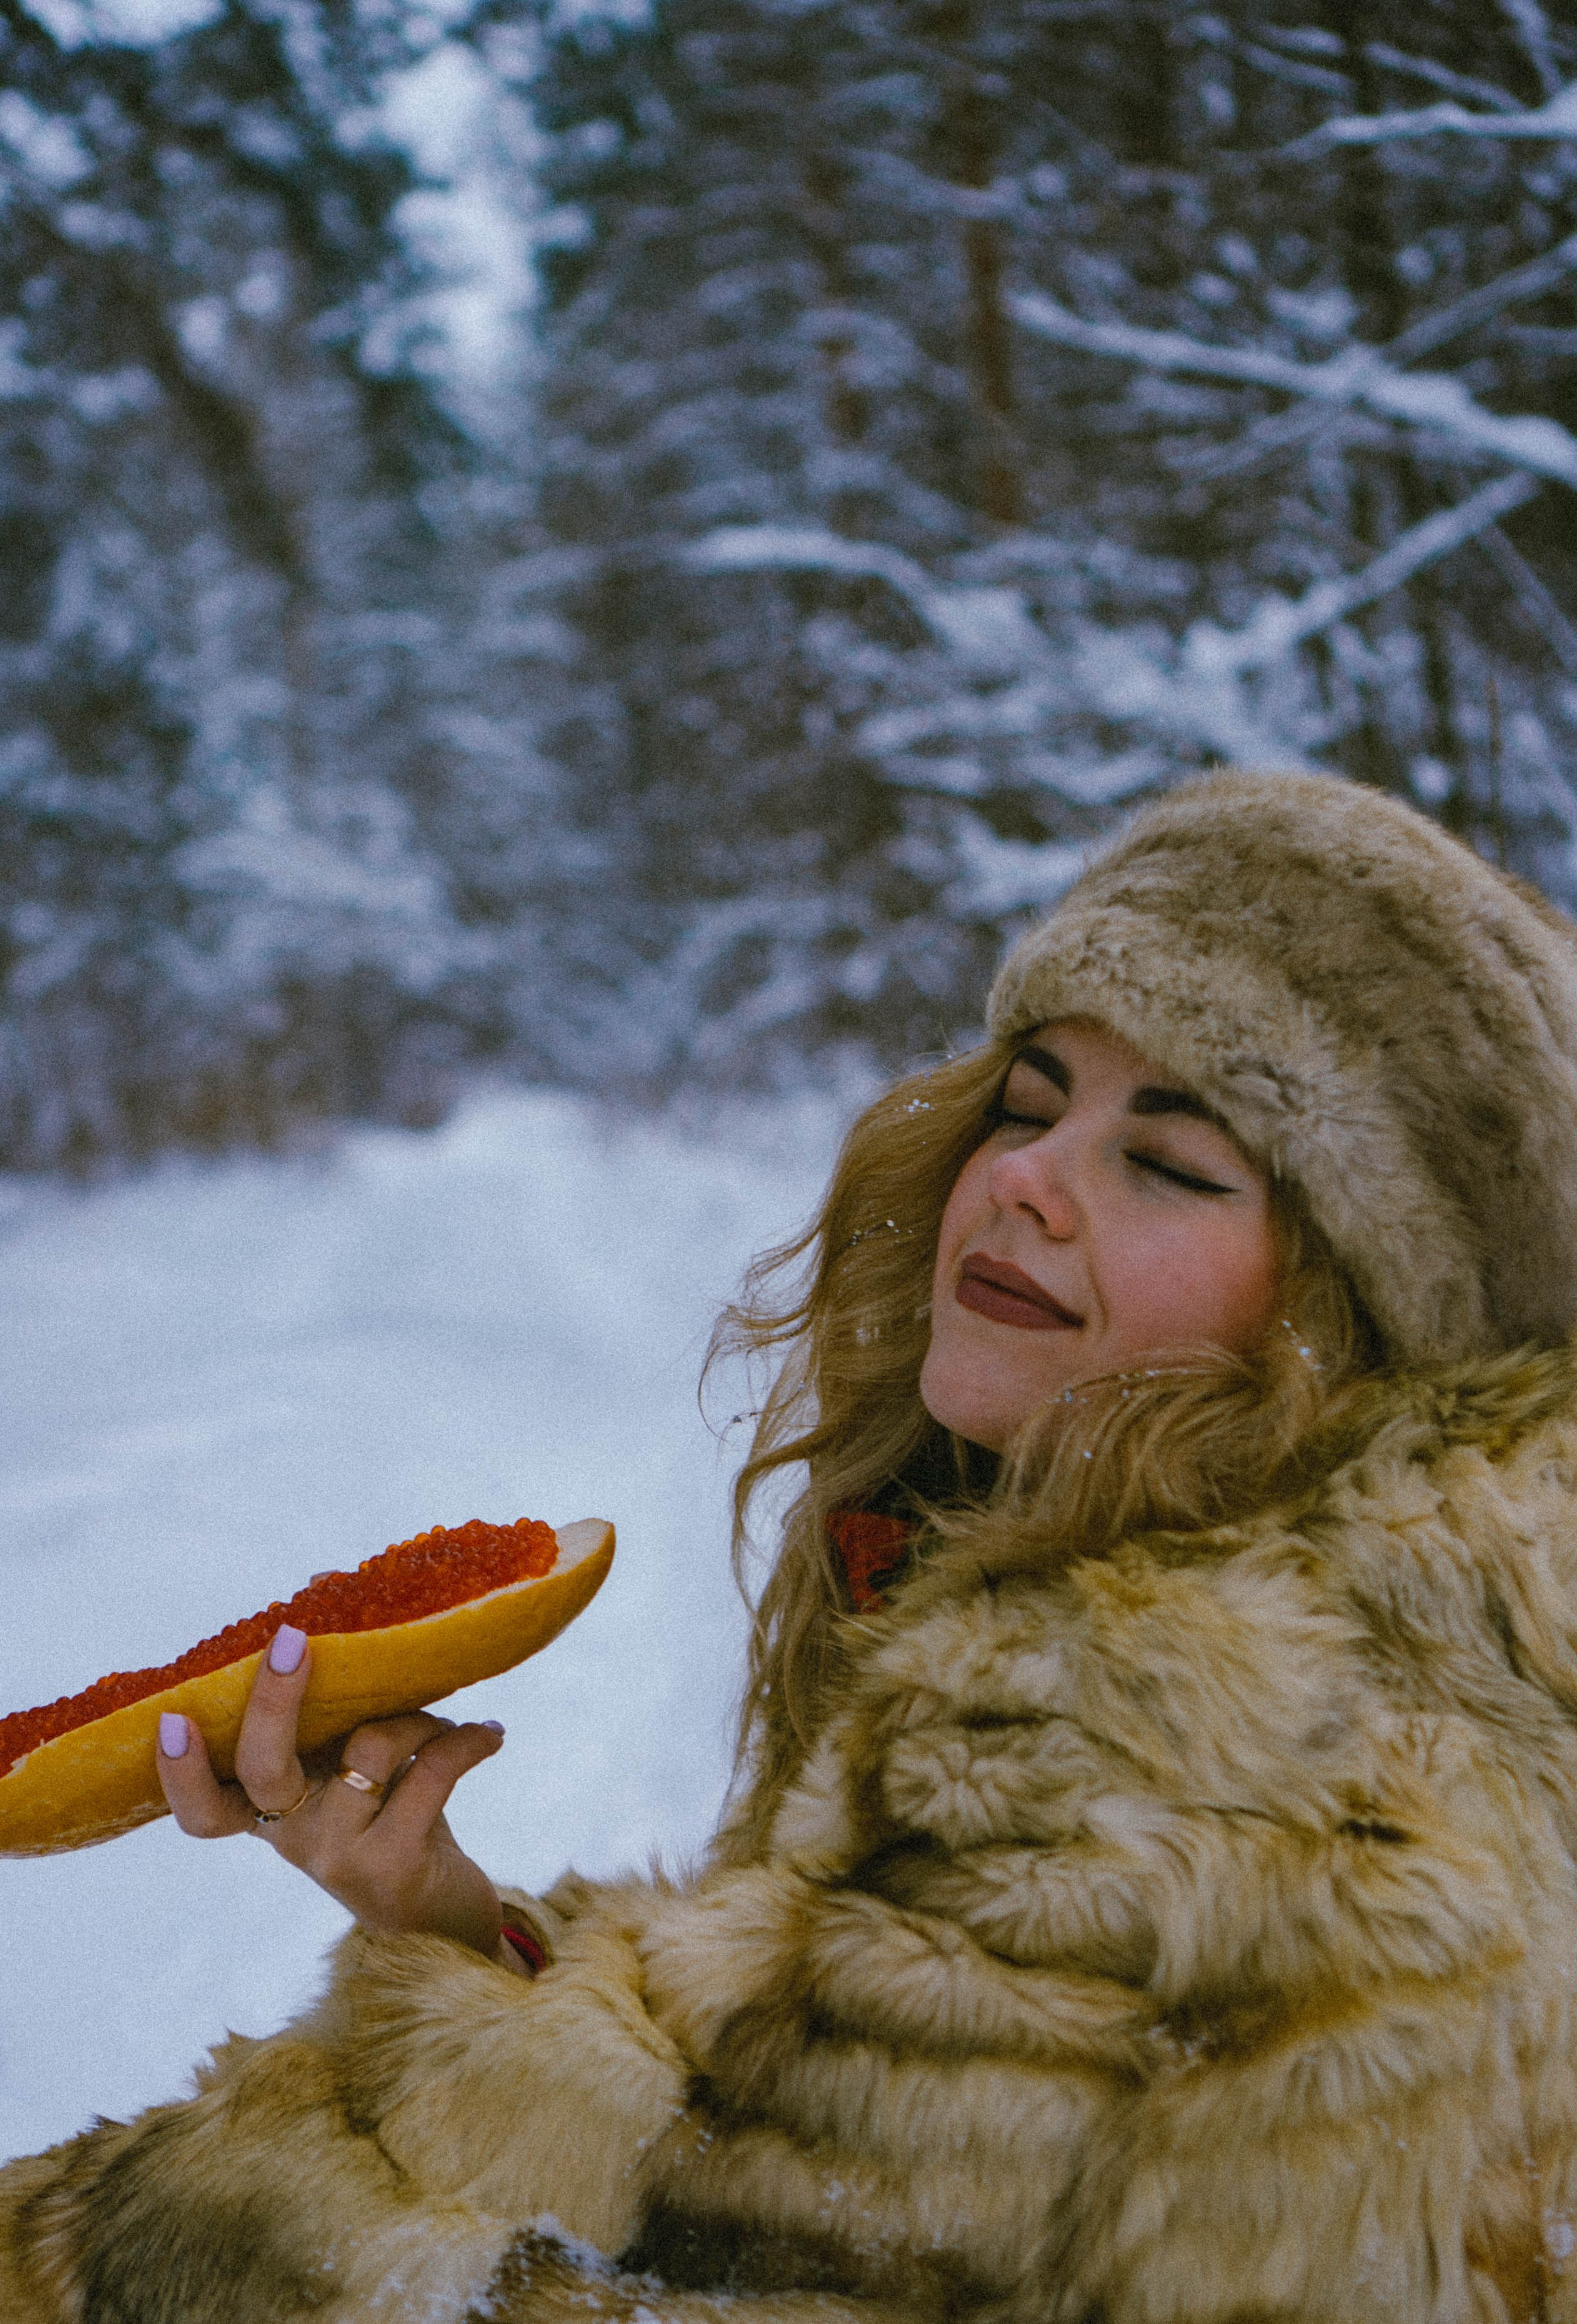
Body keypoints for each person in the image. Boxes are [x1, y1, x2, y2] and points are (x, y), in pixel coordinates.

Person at [8, 767, 1577, 2324]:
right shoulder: (1315, 1644)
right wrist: (452, 1931)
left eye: (1167, 1162)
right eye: (1031, 1104)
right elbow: (785, 2170)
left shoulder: (1212, 1754)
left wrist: (141, 2251)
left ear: (1352, 1317)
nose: (1025, 1178)